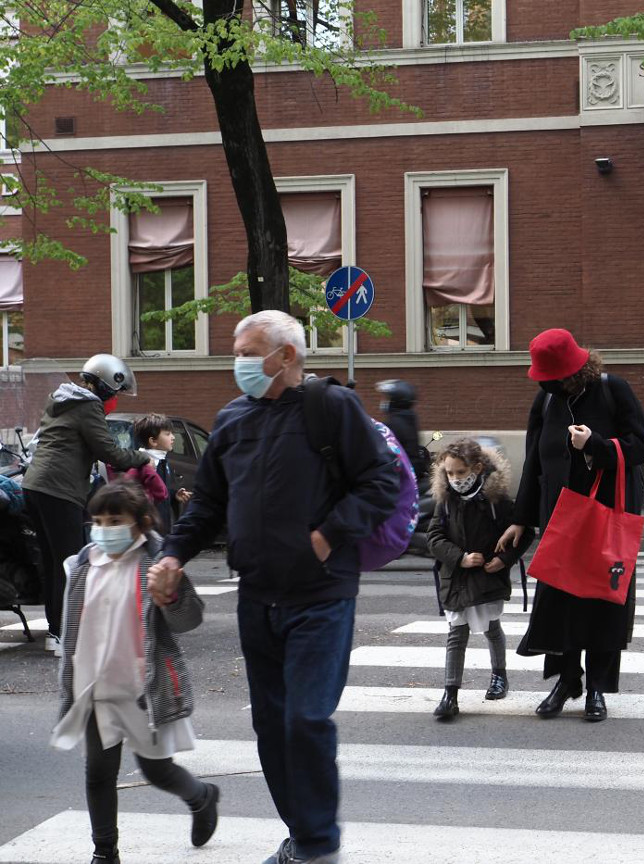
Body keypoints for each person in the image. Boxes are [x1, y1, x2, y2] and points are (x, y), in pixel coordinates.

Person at [148, 310, 401, 864]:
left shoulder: (330, 407)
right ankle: (301, 833)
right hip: (257, 597)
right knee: (271, 727)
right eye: (237, 351)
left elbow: (382, 480)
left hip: (321, 594)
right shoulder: (233, 419)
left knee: (305, 718)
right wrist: (173, 554)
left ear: (286, 355)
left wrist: (329, 534)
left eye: (248, 350)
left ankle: (317, 846)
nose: (238, 362)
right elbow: (209, 505)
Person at [51, 480, 218, 864]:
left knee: (157, 771)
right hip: (95, 689)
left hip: (144, 690)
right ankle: (105, 853)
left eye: (115, 520)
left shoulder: (158, 565)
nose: (105, 529)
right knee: (98, 774)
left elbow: (188, 620)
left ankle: (202, 797)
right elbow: (71, 628)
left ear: (141, 523)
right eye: (98, 520)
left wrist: (171, 595)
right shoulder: (81, 565)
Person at [500, 329, 644, 723]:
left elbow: (640, 446)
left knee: (603, 601)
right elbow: (534, 460)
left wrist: (597, 446)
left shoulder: (612, 389)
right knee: (560, 601)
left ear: (575, 369)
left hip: (605, 517)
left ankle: (597, 687)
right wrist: (522, 519)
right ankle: (567, 679)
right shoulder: (547, 399)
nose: (547, 384)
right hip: (559, 519)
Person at [22, 354, 149, 655]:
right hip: (59, 488)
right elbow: (109, 451)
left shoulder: (62, 400)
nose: (115, 400)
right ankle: (65, 635)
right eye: (115, 393)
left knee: (55, 564)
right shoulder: (89, 405)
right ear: (106, 386)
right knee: (70, 565)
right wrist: (144, 457)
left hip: (35, 485)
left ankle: (56, 631)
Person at [427, 438, 531, 721]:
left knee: (491, 628)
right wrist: (459, 557)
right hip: (458, 576)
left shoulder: (496, 500)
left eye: (460, 472)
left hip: (487, 576)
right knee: (456, 633)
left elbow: (523, 534)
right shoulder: (446, 502)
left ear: (477, 468)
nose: (455, 479)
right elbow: (434, 538)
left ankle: (499, 676)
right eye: (449, 473)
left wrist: (504, 560)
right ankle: (450, 693)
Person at [116, 413, 193, 532]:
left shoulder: (163, 462)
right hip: (147, 527)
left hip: (162, 525)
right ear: (153, 441)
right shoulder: (143, 465)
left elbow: (160, 490)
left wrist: (173, 495)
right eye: (167, 434)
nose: (173, 437)